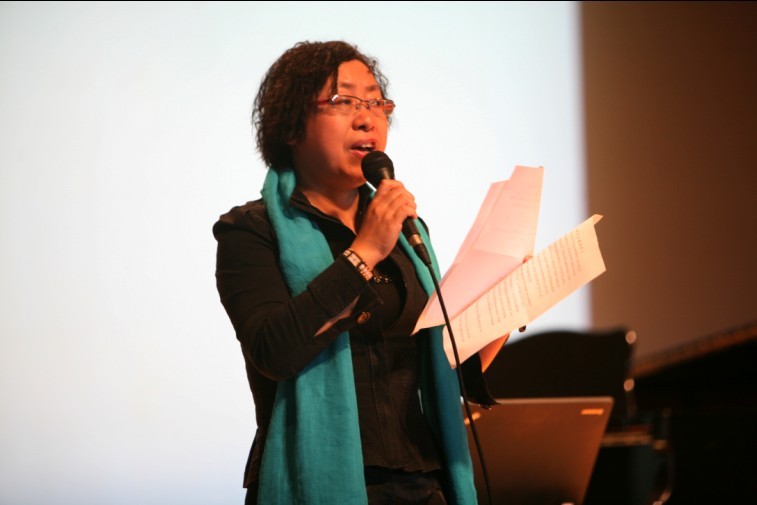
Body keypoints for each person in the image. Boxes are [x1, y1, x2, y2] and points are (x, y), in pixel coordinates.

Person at [213, 40, 506, 505]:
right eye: (344, 101)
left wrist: (505, 306)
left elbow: (447, 369)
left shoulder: (406, 231)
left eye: (375, 103)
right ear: (291, 125)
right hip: (314, 482)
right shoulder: (250, 231)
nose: (367, 118)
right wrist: (365, 250)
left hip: (425, 482)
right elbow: (275, 350)